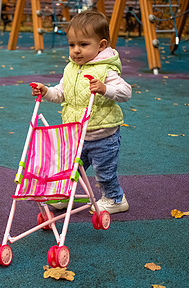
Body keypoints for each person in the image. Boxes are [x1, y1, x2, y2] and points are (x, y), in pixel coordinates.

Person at [30, 9, 131, 214]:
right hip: (76, 134)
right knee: (70, 169)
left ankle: (115, 199)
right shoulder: (71, 69)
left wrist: (105, 89)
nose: (76, 50)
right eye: (72, 45)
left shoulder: (106, 70)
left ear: (101, 45)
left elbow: (125, 92)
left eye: (83, 45)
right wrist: (47, 91)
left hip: (102, 135)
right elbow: (61, 93)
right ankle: (65, 195)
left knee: (104, 173)